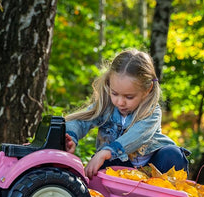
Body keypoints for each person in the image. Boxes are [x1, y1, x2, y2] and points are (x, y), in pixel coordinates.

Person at [65, 49, 190, 179]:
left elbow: (137, 135)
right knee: (106, 162)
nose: (120, 102)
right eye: (114, 93)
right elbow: (81, 120)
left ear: (147, 89)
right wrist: (71, 137)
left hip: (154, 169)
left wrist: (108, 151)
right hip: (122, 168)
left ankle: (165, 195)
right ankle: (113, 195)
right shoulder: (106, 107)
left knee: (173, 154)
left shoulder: (152, 111)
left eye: (129, 97)